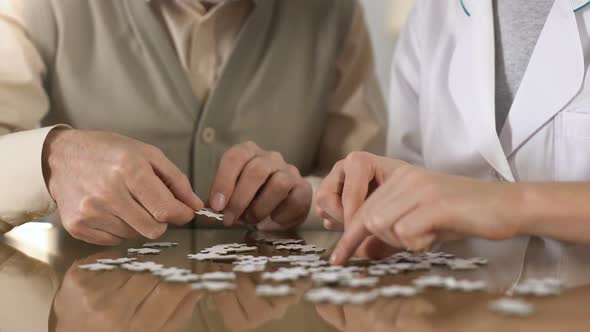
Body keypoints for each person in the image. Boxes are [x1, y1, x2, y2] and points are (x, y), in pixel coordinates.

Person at [0, 0, 386, 245]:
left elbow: (374, 192)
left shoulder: (334, 13)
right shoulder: (33, 7)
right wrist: (52, 159)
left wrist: (306, 201)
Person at [316, 0, 590, 265]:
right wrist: (391, 199)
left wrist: (504, 204)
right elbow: (417, 174)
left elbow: (478, 200)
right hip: (456, 306)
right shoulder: (432, 11)